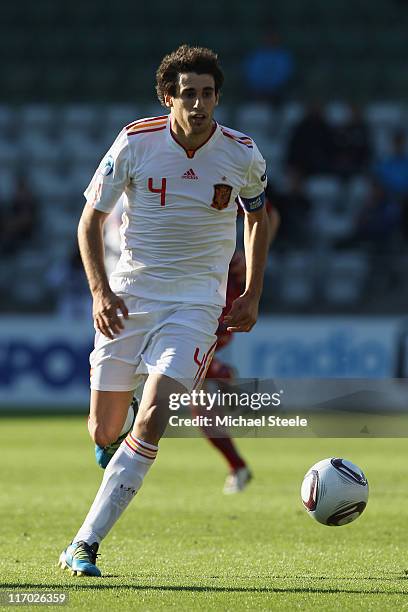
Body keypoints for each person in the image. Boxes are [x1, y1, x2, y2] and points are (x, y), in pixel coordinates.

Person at [58, 44, 270, 577]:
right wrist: (101, 293)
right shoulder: (136, 141)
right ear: (168, 96)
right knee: (105, 432)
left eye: (208, 94)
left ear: (217, 96)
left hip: (197, 305)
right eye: (188, 94)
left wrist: (251, 293)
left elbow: (259, 218)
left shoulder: (241, 152)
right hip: (130, 298)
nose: (199, 104)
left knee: (155, 416)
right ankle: (119, 424)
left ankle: (84, 543)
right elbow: (89, 221)